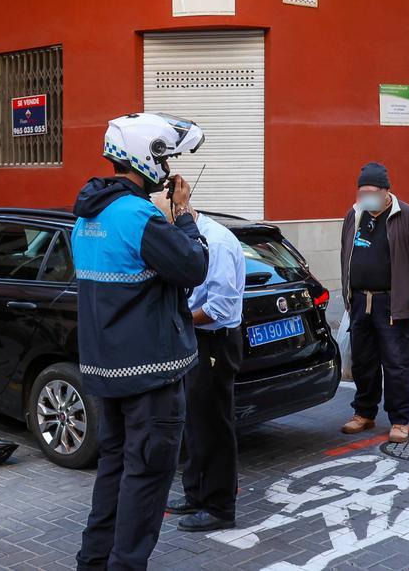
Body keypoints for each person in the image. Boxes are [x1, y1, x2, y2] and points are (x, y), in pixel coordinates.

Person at [72, 112, 209, 571]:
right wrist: (185, 218)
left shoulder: (87, 216)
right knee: (147, 480)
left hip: (107, 373)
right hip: (151, 375)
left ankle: (92, 562)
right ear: (144, 157)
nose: (169, 169)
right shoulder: (140, 216)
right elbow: (193, 267)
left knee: (113, 473)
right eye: (165, 158)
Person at [152, 190, 246, 533]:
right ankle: (196, 493)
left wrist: (178, 318)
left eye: (164, 218)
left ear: (180, 211)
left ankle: (220, 507)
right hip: (196, 339)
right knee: (193, 422)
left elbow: (219, 307)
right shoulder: (185, 237)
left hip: (215, 342)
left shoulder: (217, 242)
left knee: (214, 426)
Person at [338, 162, 409, 444]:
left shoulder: (408, 218)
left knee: (397, 364)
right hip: (360, 302)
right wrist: (348, 295)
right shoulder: (354, 216)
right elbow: (346, 255)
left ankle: (399, 419)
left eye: (370, 191)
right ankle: (364, 413)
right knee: (363, 363)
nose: (364, 197)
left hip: (394, 304)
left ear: (385, 191)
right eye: (361, 192)